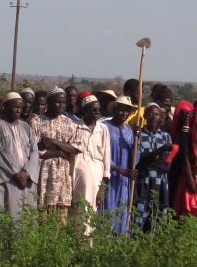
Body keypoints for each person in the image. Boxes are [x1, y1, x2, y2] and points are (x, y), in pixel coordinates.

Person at [30, 87, 81, 218]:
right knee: (41, 213)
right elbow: (34, 150)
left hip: (62, 176)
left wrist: (54, 142)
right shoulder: (36, 122)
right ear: (49, 103)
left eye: (63, 103)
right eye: (58, 102)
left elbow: (75, 148)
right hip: (42, 174)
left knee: (60, 216)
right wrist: (59, 153)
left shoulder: (70, 123)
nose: (61, 105)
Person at [0, 92, 40, 221]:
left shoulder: (26, 127)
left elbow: (34, 152)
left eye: (20, 107)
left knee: (26, 217)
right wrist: (17, 175)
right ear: (5, 107)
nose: (18, 110)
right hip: (7, 180)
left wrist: (26, 173)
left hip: (27, 180)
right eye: (15, 107)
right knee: (7, 216)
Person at [71, 95, 111, 231]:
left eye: (99, 110)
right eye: (94, 110)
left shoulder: (103, 129)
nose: (97, 113)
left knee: (91, 211)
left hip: (96, 177)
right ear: (85, 110)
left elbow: (106, 158)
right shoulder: (74, 127)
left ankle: (87, 243)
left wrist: (102, 188)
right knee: (77, 209)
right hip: (77, 175)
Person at [133, 102, 173, 232]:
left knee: (157, 216)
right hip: (143, 182)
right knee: (139, 215)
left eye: (157, 114)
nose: (154, 116)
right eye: (150, 113)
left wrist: (150, 159)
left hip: (160, 182)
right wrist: (159, 151)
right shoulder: (138, 136)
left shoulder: (165, 136)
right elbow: (139, 160)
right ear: (145, 115)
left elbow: (166, 162)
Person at [103, 96, 138, 233]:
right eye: (121, 110)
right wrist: (120, 170)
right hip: (109, 178)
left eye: (127, 111)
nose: (124, 114)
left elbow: (135, 157)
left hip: (124, 181)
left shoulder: (129, 130)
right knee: (108, 211)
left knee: (123, 212)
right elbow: (102, 154)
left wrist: (136, 140)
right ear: (115, 109)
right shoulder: (105, 127)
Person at [170, 100, 197, 216]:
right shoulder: (190, 116)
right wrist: (189, 173)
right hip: (192, 167)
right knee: (188, 206)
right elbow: (185, 145)